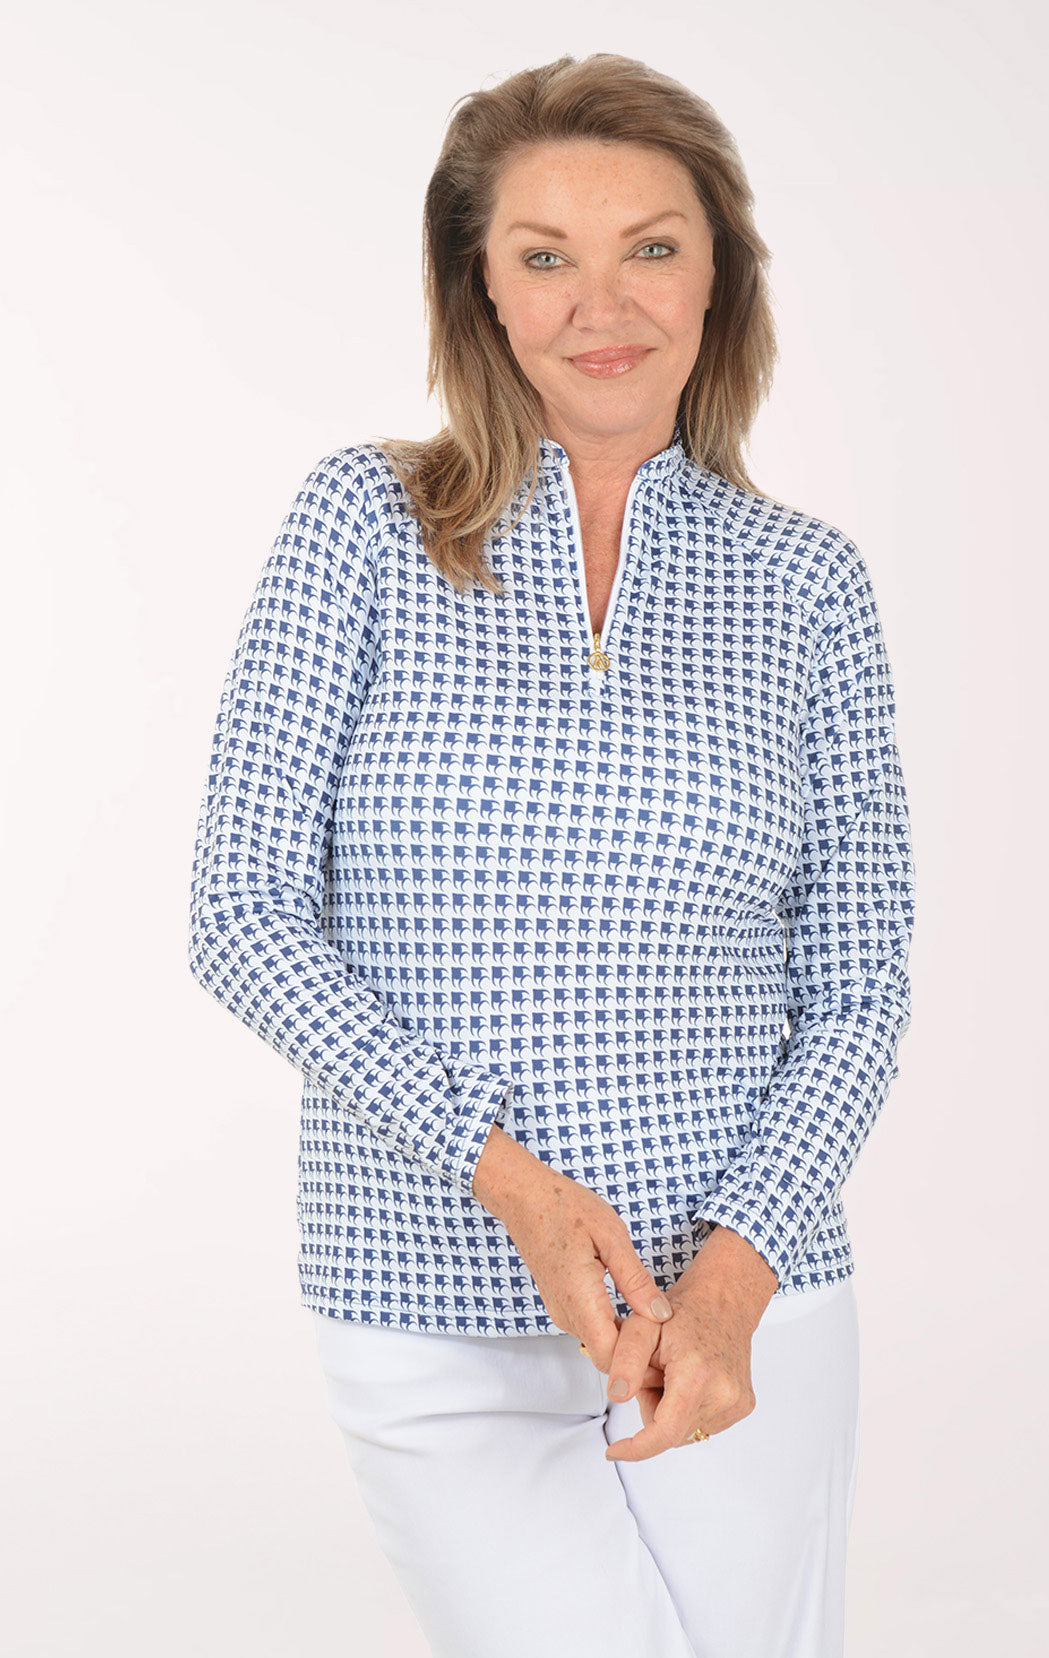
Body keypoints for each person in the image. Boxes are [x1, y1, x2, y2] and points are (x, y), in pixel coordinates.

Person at [188, 51, 915, 1658]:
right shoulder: (362, 527)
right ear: (482, 293)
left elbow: (858, 982)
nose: (606, 304)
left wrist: (728, 1287)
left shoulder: (806, 587)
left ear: (718, 274)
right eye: (545, 256)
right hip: (423, 1284)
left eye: (651, 245)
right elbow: (241, 912)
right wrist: (502, 1177)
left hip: (739, 1302)